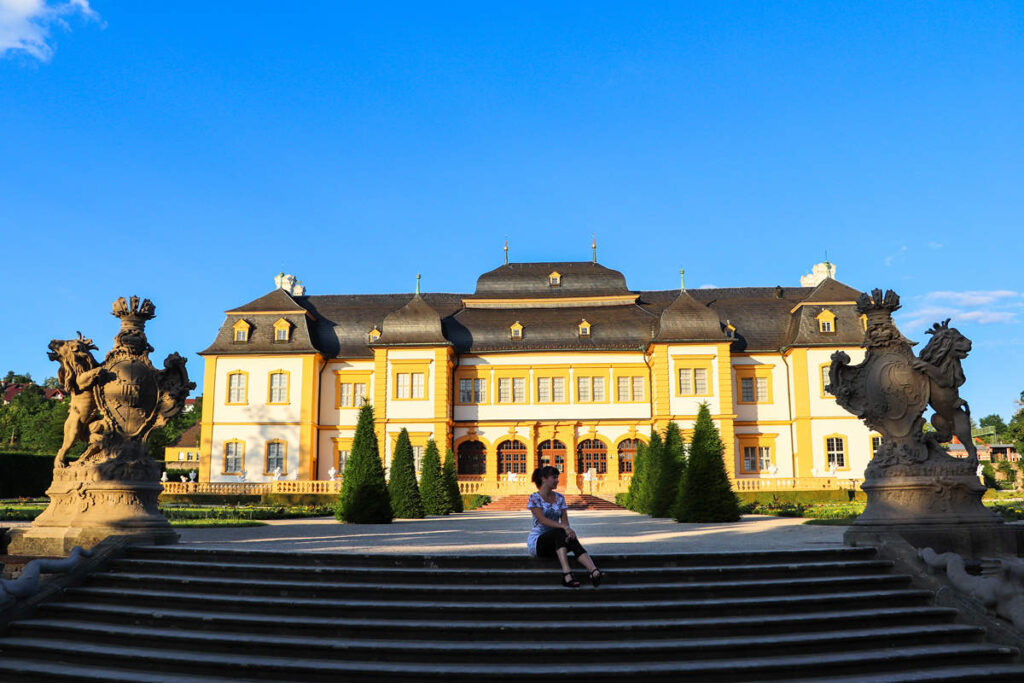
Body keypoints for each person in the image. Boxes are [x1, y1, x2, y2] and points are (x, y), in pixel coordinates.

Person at [527, 465, 602, 588]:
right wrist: (564, 528)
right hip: (538, 543)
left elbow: (565, 522)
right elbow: (542, 520)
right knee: (560, 531)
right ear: (544, 479)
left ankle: (594, 571)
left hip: (557, 542)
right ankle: (567, 573)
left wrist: (568, 530)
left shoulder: (560, 498)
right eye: (554, 477)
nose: (557, 480)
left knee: (569, 536)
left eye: (557, 477)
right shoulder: (534, 498)